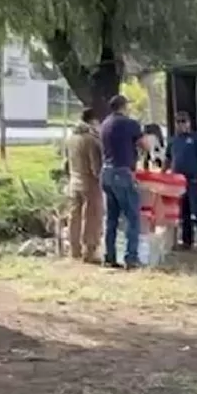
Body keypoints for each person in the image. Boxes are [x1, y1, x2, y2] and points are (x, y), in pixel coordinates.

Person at [99, 94, 145, 269]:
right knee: (132, 217)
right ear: (123, 106)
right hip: (122, 172)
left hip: (106, 172)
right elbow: (144, 145)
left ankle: (109, 256)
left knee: (111, 218)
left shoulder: (104, 124)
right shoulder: (129, 123)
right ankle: (131, 258)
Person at [165, 111, 197, 250]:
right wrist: (163, 174)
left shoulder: (196, 138)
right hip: (177, 181)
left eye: (183, 121)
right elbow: (168, 159)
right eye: (178, 122)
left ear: (189, 123)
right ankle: (187, 241)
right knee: (183, 212)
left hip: (193, 179)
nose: (181, 125)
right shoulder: (173, 140)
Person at [63, 108, 103, 263]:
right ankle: (89, 251)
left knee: (74, 216)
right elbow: (96, 167)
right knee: (92, 217)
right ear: (93, 121)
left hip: (74, 181)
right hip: (89, 183)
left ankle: (74, 249)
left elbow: (66, 163)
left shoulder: (71, 137)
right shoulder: (91, 139)